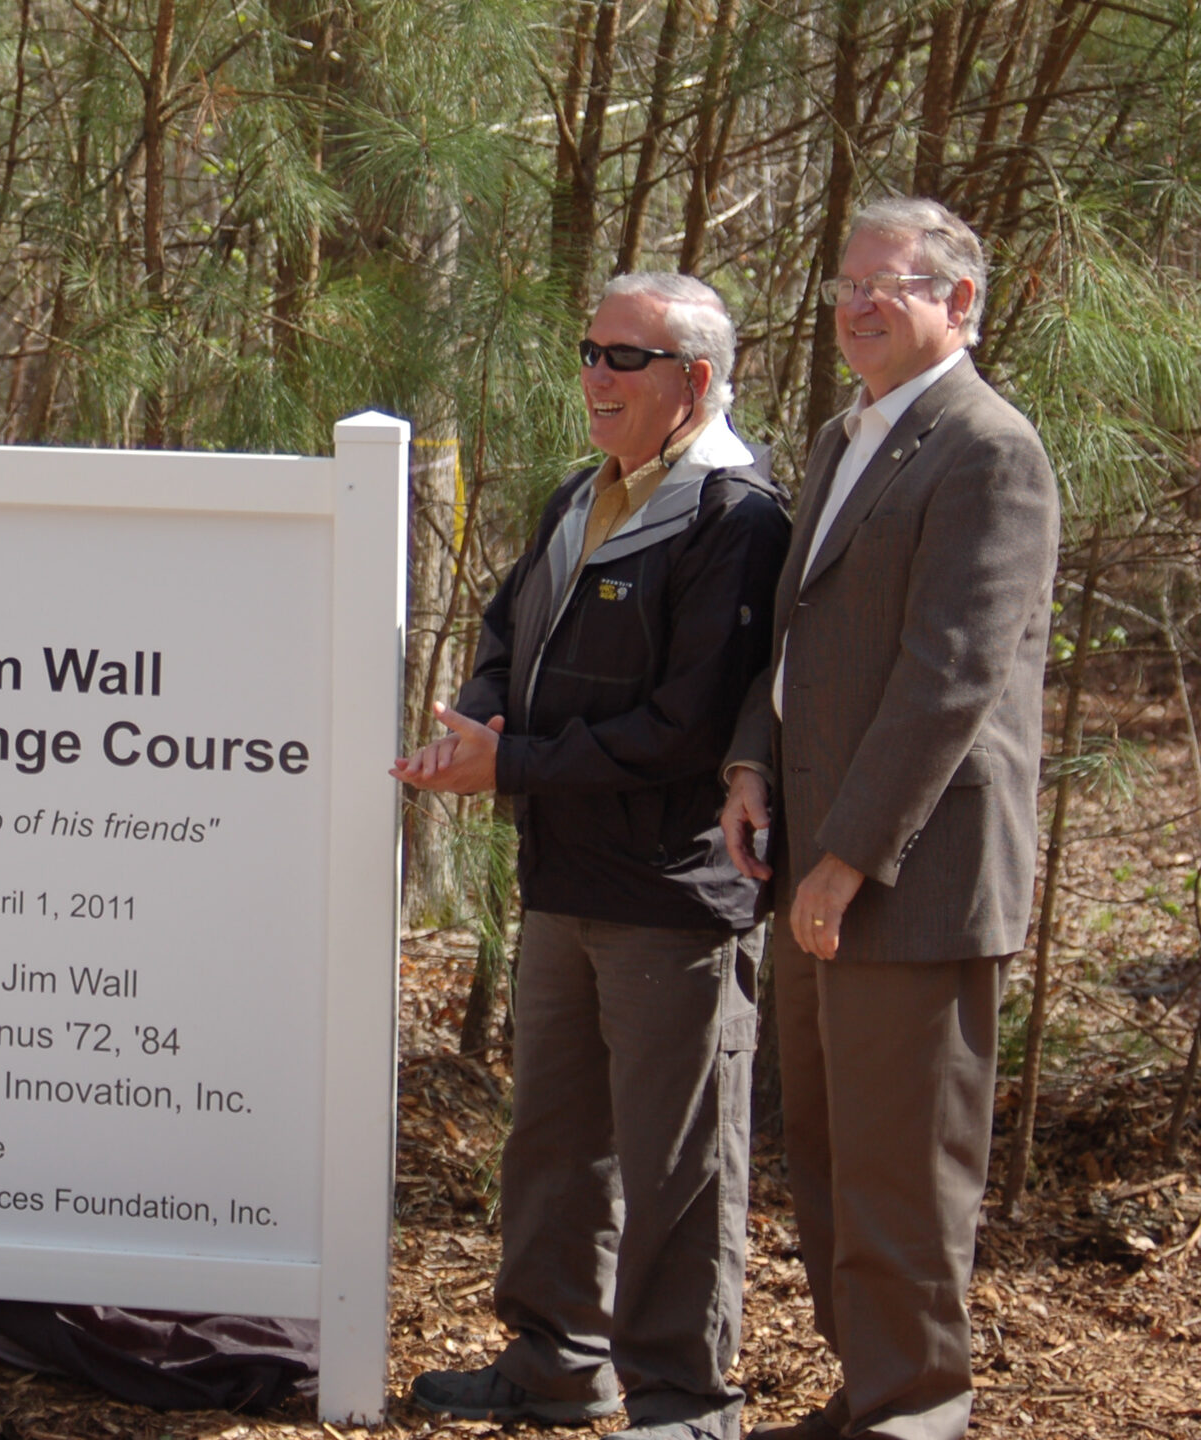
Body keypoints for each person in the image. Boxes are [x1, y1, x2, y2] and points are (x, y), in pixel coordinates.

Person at [394, 272, 790, 1440]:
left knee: (678, 1168)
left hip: (672, 895)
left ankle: (682, 1403)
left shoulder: (737, 518)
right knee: (556, 1142)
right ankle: (556, 1365)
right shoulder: (583, 494)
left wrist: (506, 769)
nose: (596, 376)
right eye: (589, 351)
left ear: (694, 382)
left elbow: (684, 727)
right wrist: (478, 722)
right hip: (562, 880)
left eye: (627, 358)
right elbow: (506, 628)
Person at [720, 199, 1057, 1440]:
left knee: (904, 1171)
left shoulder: (986, 447)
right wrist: (751, 765)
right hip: (817, 845)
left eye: (891, 284)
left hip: (911, 872)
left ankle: (917, 1411)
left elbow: (948, 676)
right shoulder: (850, 433)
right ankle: (869, 1391)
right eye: (846, 284)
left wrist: (848, 856)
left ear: (957, 303)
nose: (858, 304)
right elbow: (798, 634)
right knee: (832, 1156)